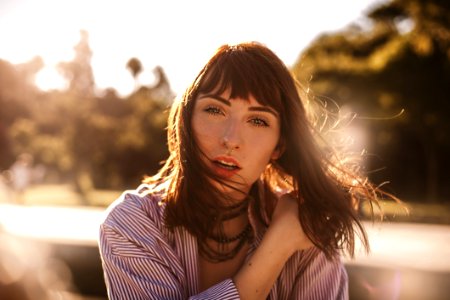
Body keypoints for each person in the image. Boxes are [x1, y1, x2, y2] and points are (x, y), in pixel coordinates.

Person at [99, 42, 385, 299]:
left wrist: (289, 235)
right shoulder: (131, 224)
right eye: (215, 110)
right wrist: (276, 249)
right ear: (186, 119)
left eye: (258, 121)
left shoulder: (304, 224)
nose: (231, 139)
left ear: (279, 145)